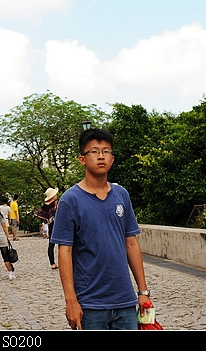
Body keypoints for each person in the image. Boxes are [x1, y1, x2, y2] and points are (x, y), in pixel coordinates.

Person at [51, 128, 152, 330]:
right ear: (82, 159)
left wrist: (143, 292)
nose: (101, 156)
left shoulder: (121, 195)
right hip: (90, 305)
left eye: (106, 151)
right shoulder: (71, 200)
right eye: (94, 151)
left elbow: (131, 243)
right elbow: (65, 251)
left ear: (112, 159)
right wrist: (71, 300)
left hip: (125, 302)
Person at [34, 187, 59, 269]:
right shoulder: (56, 203)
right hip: (58, 224)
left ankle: (52, 263)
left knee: (51, 245)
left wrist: (46, 219)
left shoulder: (45, 206)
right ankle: (62, 262)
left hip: (51, 225)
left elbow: (37, 213)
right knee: (62, 244)